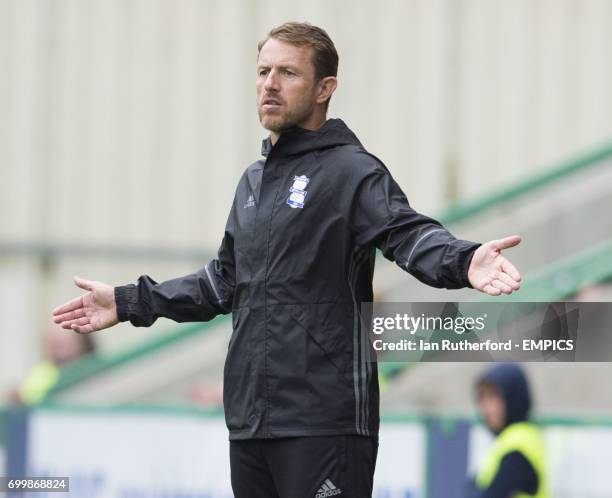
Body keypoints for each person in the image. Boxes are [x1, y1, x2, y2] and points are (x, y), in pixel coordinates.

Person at [52, 22, 522, 498]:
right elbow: (221, 284)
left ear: (325, 88)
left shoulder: (351, 171)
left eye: (287, 73)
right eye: (263, 71)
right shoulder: (253, 183)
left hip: (324, 423)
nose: (269, 84)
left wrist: (464, 261)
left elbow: (407, 233)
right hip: (251, 425)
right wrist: (129, 301)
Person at [465, 363, 548, 498]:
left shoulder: (518, 445)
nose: (486, 407)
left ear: (513, 397)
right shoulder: (509, 440)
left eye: (494, 397)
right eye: (482, 397)